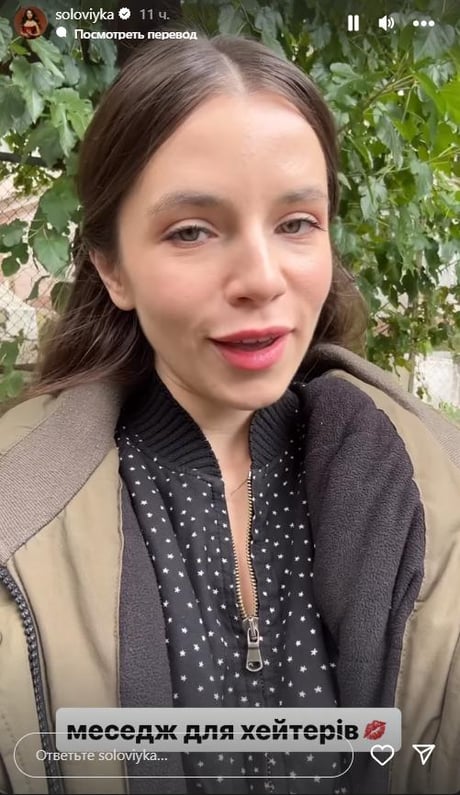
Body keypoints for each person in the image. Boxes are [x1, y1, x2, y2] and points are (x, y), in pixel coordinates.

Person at [0, 32, 459, 795]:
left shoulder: (429, 496)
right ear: (113, 266)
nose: (261, 278)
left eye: (296, 222)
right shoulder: (17, 520)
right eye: (192, 231)